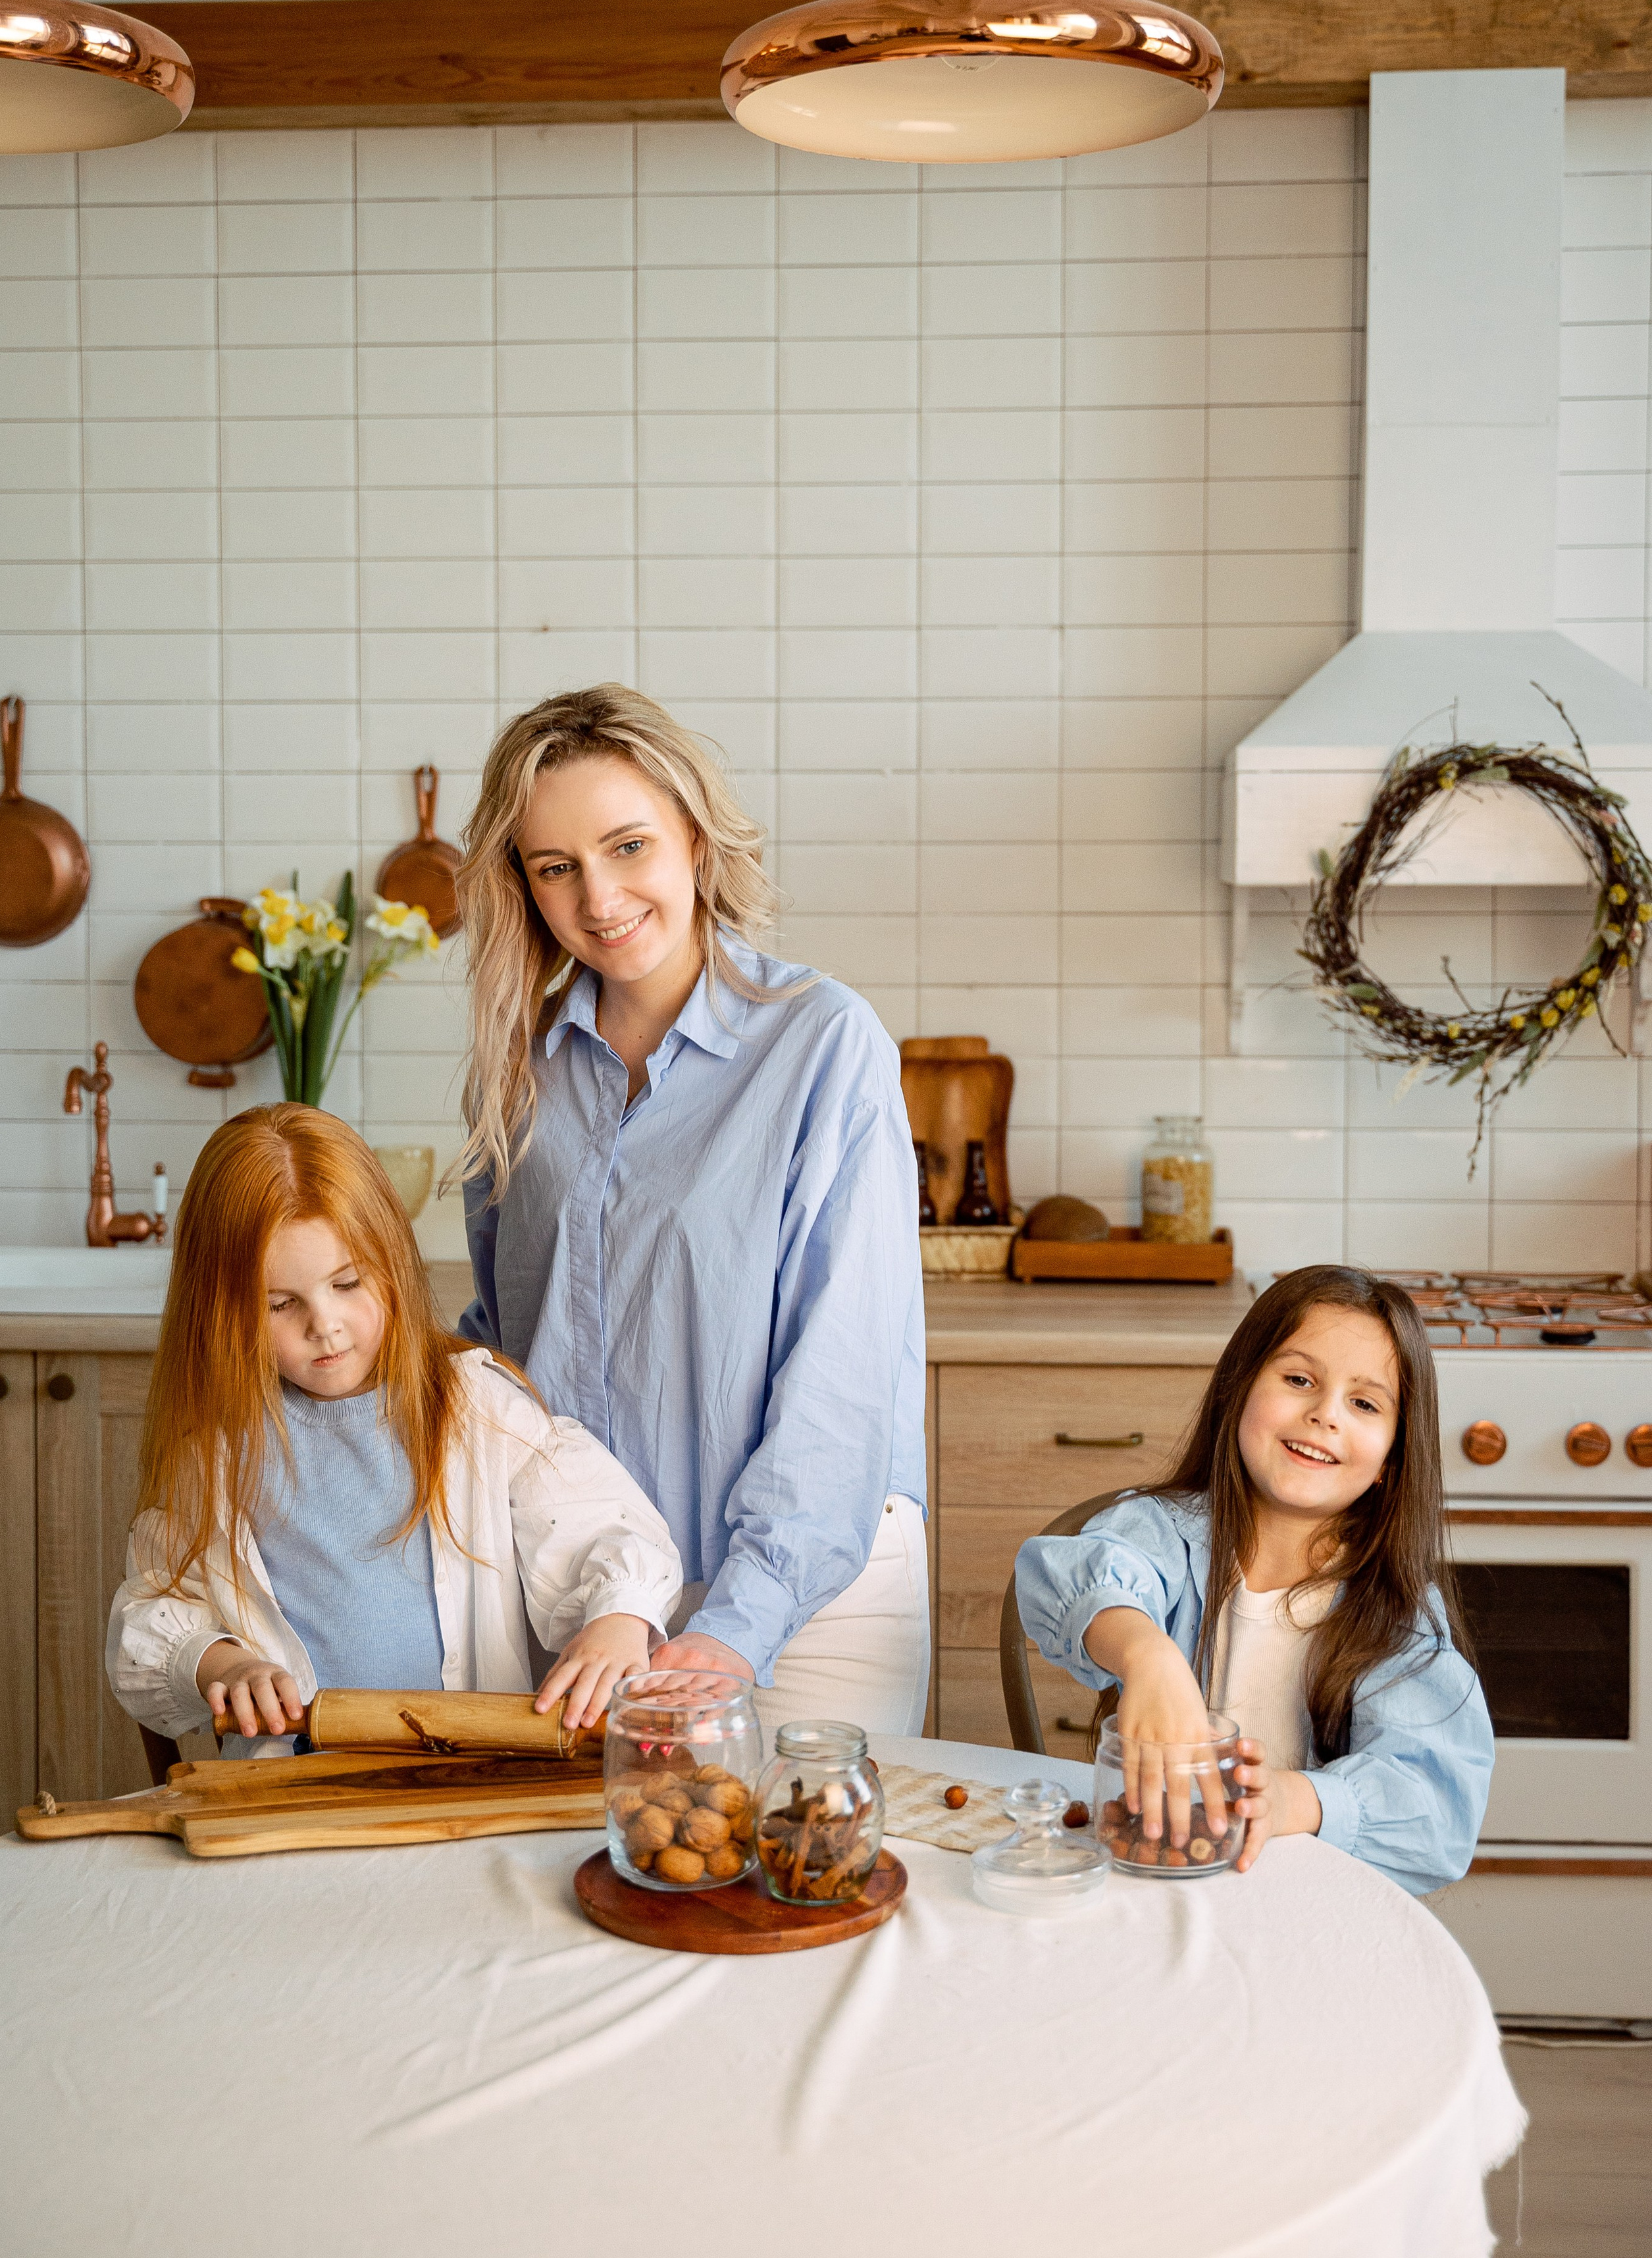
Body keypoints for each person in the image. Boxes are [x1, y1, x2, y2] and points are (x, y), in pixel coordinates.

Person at [453, 685, 929, 1737]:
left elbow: (843, 1372)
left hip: (808, 1595)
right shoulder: (515, 1071)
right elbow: (501, 1352)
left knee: (808, 1883)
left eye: (629, 846)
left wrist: (737, 1623)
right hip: (582, 1590)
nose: (599, 896)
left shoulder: (822, 1043)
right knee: (588, 1884)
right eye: (555, 866)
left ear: (698, 844)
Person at [108, 1104, 681, 1754]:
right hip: (295, 1803)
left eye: (347, 1283)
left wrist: (618, 1620)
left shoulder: (475, 1406)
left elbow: (605, 1530)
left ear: (391, 1263)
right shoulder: (214, 1455)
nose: (325, 1325)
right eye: (280, 1304)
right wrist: (222, 1665)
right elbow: (146, 1622)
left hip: (461, 1789)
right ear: (220, 1312)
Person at [1016, 1265, 1492, 1895]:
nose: (1325, 1415)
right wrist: (1146, 1654)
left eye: (1364, 1403)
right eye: (1299, 1379)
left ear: (1390, 1460)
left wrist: (1294, 1800)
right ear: (1238, 1388)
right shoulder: (1166, 1533)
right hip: (1150, 1884)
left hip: (1304, 1910)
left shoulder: (1395, 1613)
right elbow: (1072, 1578)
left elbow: (1437, 1813)